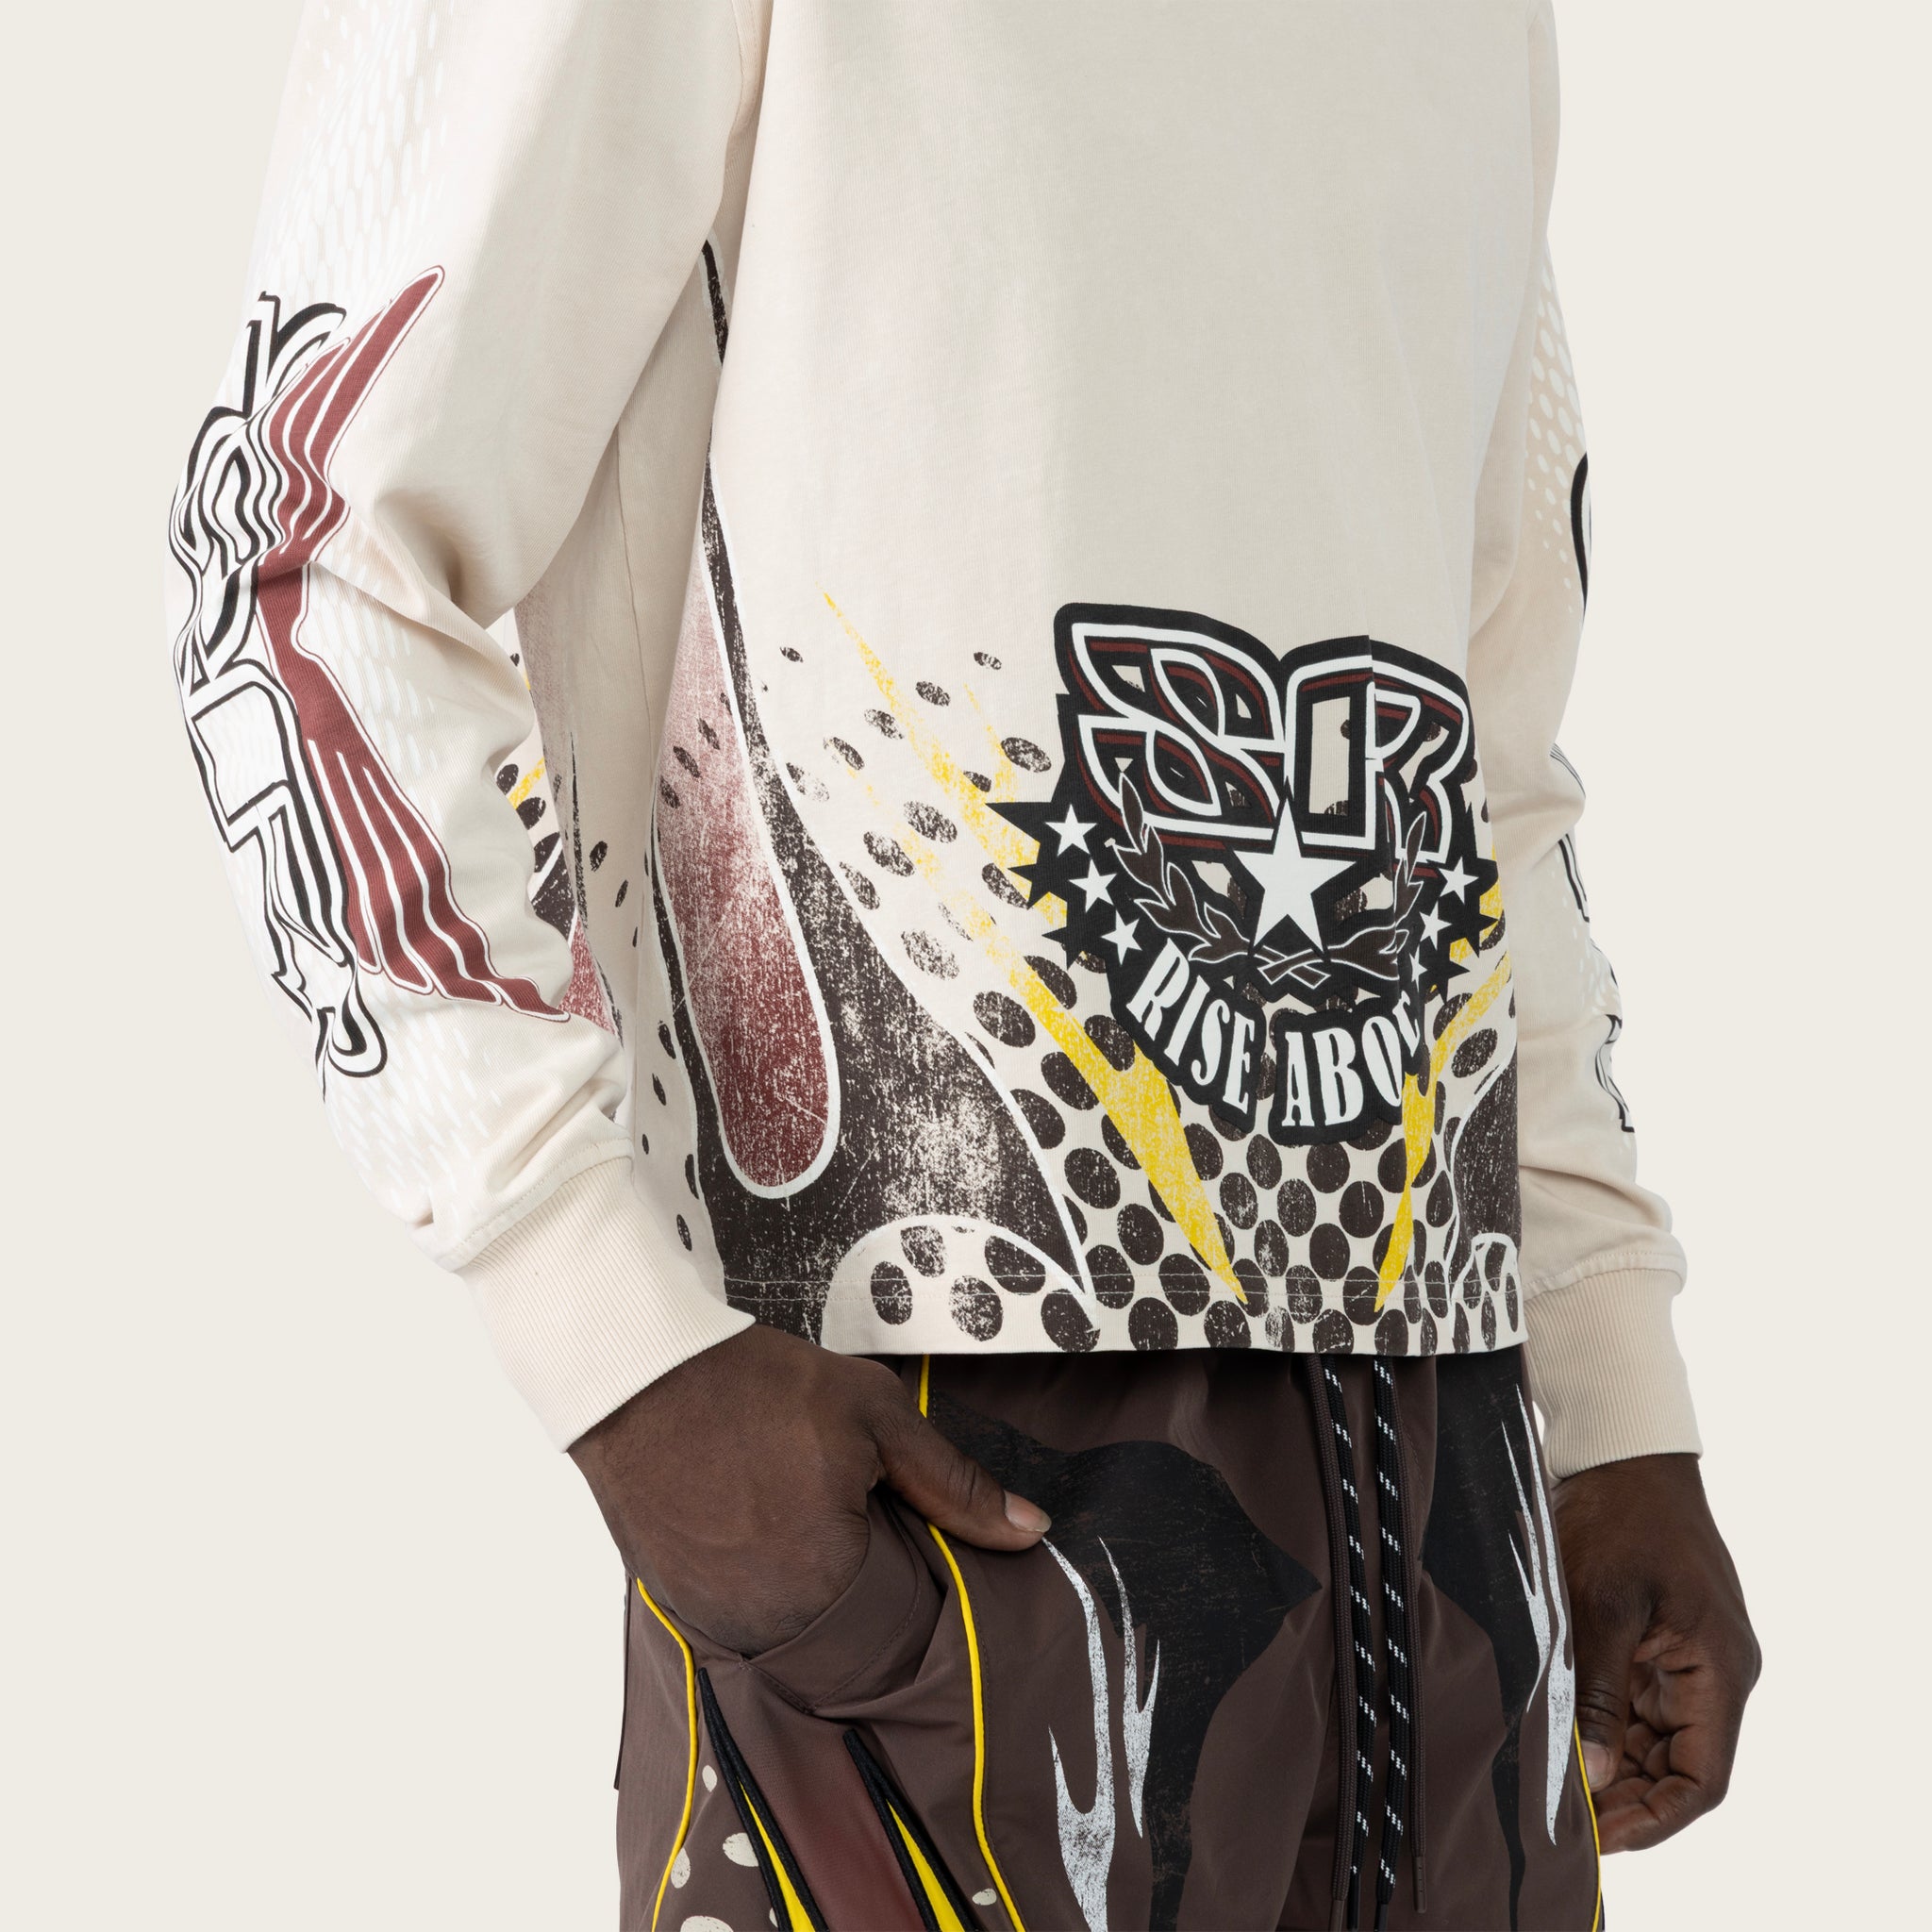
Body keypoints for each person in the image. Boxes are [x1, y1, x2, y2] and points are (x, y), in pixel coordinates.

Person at [165, 4, 1757, 1926]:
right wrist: (608, 1338)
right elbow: (304, 557)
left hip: (1453, 1474)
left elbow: (1480, 754)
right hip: (923, 1423)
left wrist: (1605, 1388)